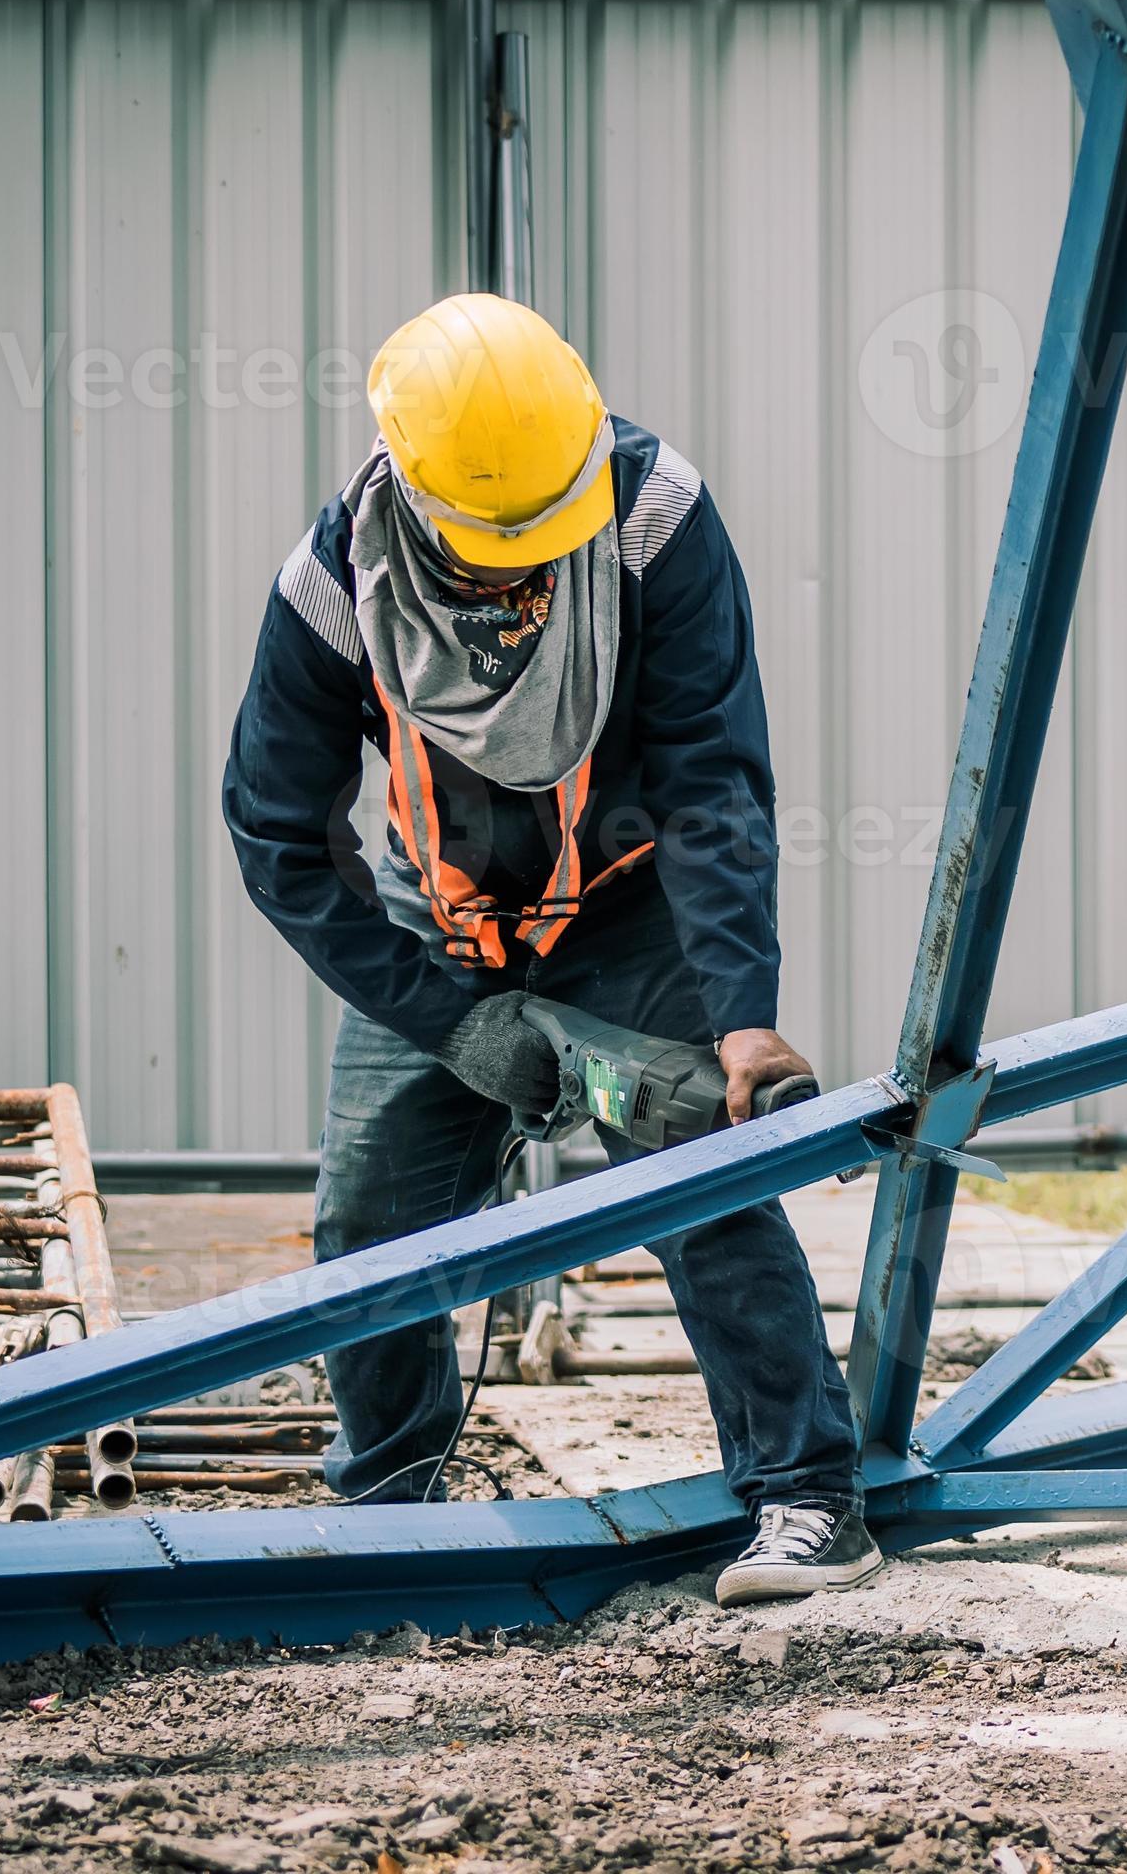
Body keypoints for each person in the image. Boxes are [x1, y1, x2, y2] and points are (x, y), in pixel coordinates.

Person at [222, 292, 877, 1605]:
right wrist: (450, 1020)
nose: (522, 573)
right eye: (493, 552)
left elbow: (709, 780)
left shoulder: (655, 527)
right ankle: (385, 1507)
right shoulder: (333, 588)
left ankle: (810, 1498)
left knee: (704, 1168)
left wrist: (740, 1012)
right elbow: (277, 833)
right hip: (437, 930)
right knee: (372, 1214)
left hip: (630, 908)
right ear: (413, 496)